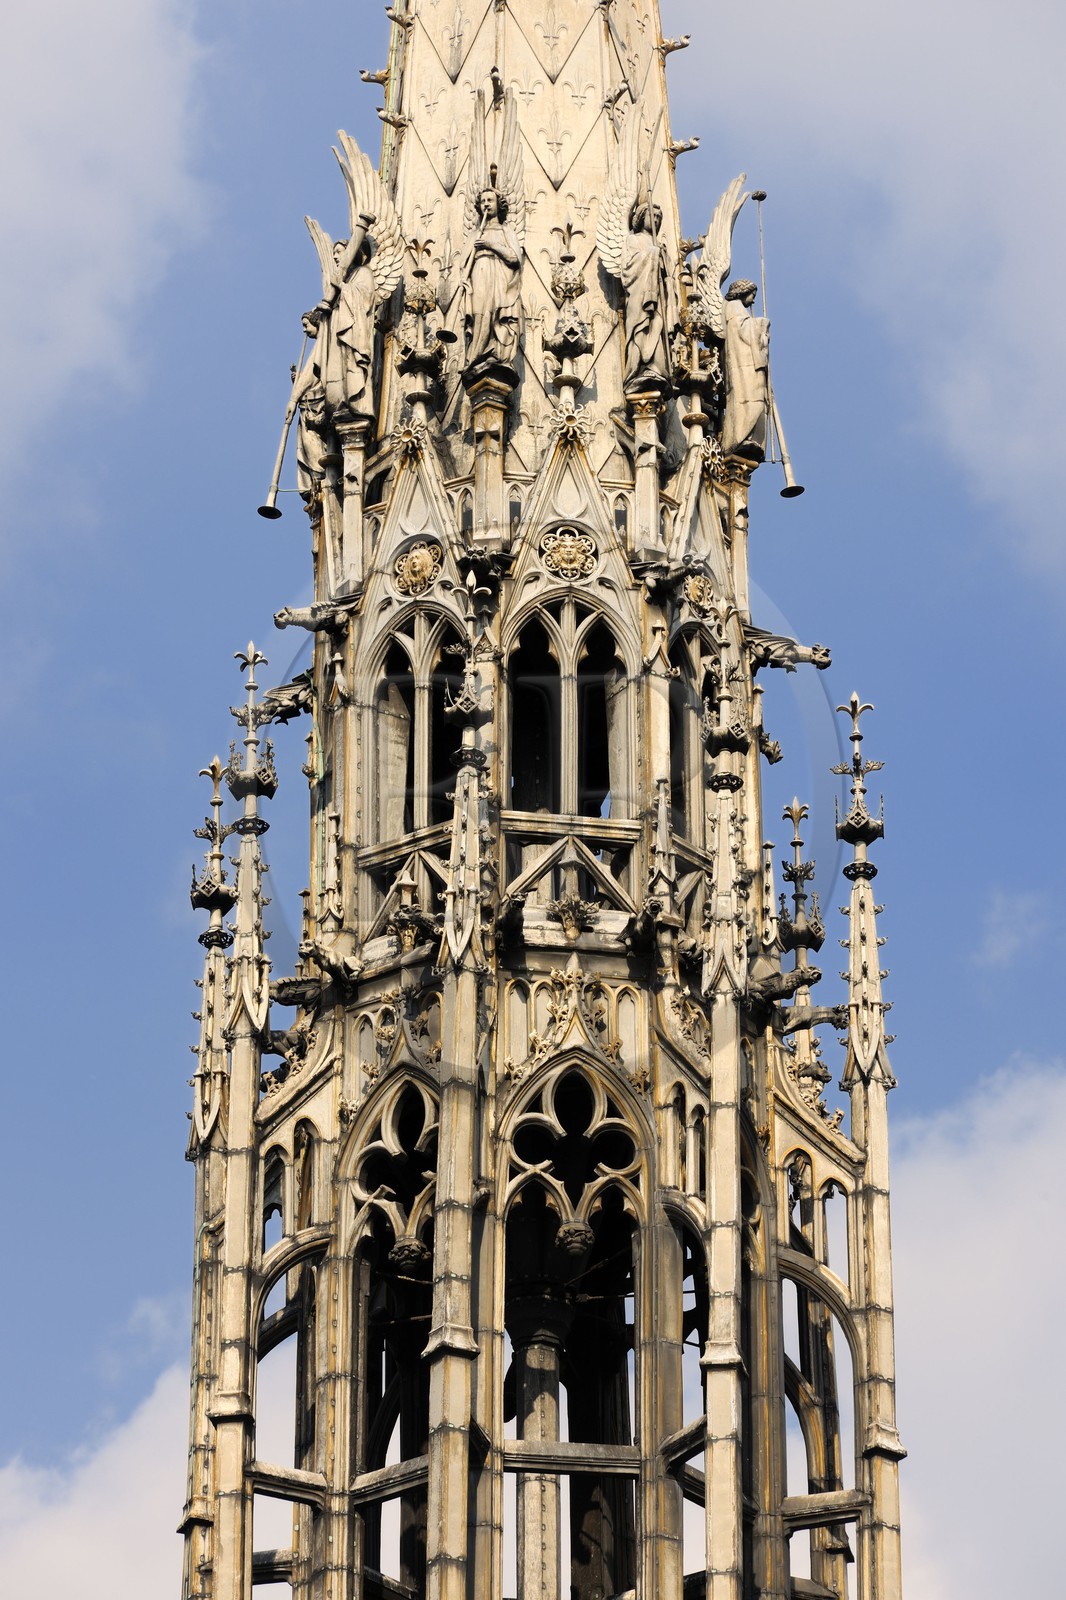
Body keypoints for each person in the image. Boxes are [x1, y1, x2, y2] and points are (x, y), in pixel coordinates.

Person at [462, 184, 524, 373]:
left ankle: (497, 352)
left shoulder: (506, 232)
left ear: (499, 204)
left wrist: (491, 245)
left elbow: (514, 258)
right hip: (479, 275)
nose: (486, 204)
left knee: (496, 314)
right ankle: (475, 356)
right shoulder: (475, 234)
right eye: (482, 201)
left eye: (490, 200)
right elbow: (465, 263)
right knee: (480, 312)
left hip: (500, 279)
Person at [621, 199, 670, 389]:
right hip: (639, 296)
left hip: (658, 298)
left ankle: (656, 367)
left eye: (659, 217)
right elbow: (628, 268)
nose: (656, 220)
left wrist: (661, 256)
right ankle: (639, 367)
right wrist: (652, 254)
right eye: (653, 216)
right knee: (641, 328)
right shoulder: (633, 240)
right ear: (642, 218)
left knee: (657, 326)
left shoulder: (658, 243)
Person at [721, 278, 770, 457]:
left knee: (756, 399)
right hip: (741, 364)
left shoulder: (738, 308)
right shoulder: (733, 306)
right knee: (749, 397)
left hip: (747, 361)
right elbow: (739, 330)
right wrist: (760, 324)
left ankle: (748, 436)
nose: (754, 300)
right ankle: (741, 436)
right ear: (743, 292)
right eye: (752, 295)